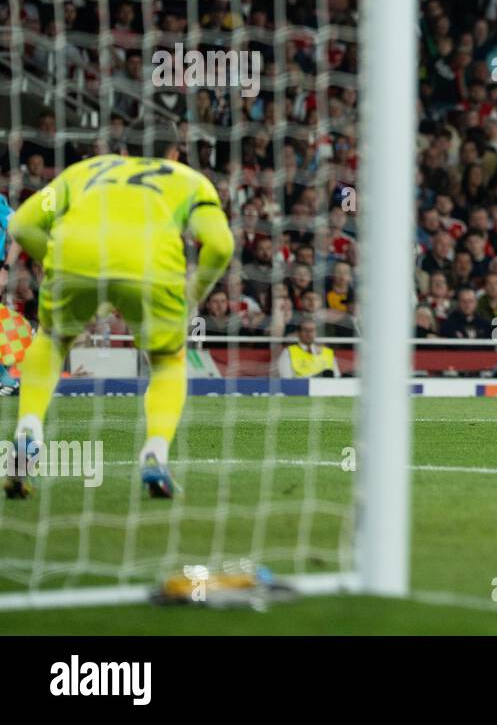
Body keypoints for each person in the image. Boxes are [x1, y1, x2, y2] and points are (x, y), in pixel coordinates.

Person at [4, 123, 235, 500]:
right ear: (174, 152)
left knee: (52, 338)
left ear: (124, 152)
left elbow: (21, 223)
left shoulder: (88, 170)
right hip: (150, 265)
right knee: (166, 360)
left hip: (76, 254)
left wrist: (54, 260)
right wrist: (193, 292)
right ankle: (154, 455)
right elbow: (222, 245)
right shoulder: (188, 179)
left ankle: (28, 430)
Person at [274, 318, 341, 379]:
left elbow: (337, 378)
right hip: (302, 389)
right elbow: (285, 380)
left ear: (316, 332)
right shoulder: (288, 352)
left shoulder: (328, 352)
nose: (309, 333)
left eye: (312, 330)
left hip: (326, 389)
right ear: (298, 333)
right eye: (305, 330)